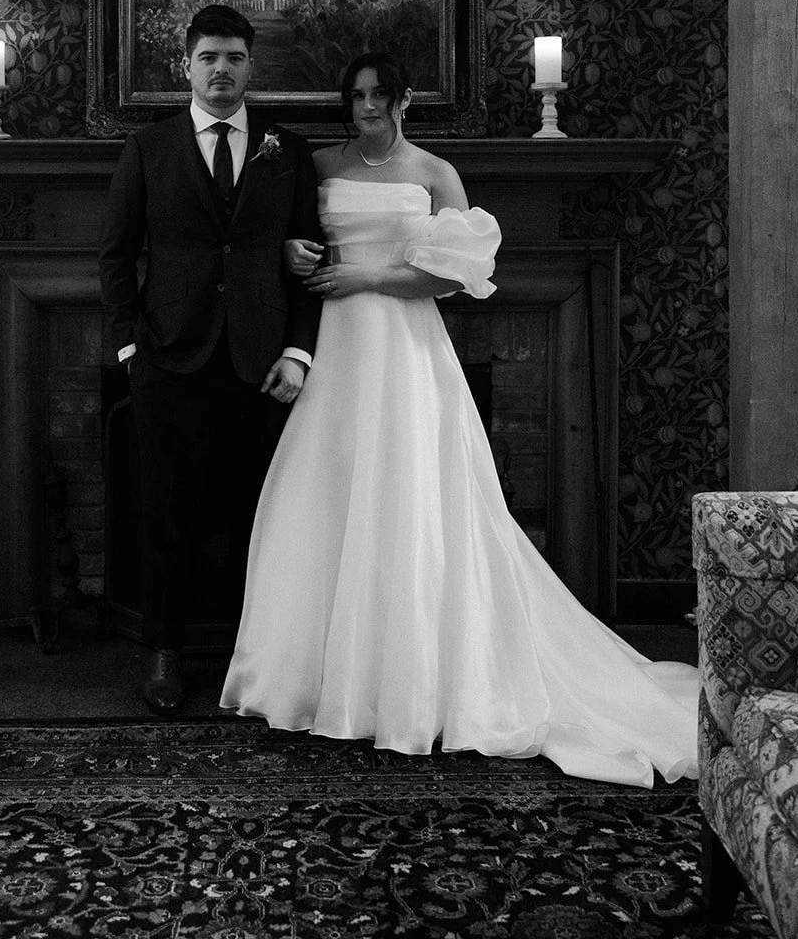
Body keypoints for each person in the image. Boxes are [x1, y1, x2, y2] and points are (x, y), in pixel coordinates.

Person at [220, 50, 699, 787]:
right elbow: (269, 237)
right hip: (333, 350)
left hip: (404, 353)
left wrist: (366, 275)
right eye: (357, 97)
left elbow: (452, 276)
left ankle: (412, 683)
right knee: (321, 497)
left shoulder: (435, 174)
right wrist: (291, 249)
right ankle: (316, 679)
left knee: (413, 503)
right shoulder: (314, 164)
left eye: (380, 95)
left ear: (404, 100)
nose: (368, 108)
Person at [98, 3, 321, 715]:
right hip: (169, 359)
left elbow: (312, 260)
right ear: (186, 67)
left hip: (261, 364)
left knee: (264, 513)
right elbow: (115, 256)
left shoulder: (288, 149)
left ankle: (258, 657)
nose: (220, 70)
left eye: (232, 58)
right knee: (167, 511)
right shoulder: (149, 148)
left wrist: (297, 352)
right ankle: (162, 653)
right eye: (207, 58)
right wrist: (132, 346)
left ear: (251, 67)